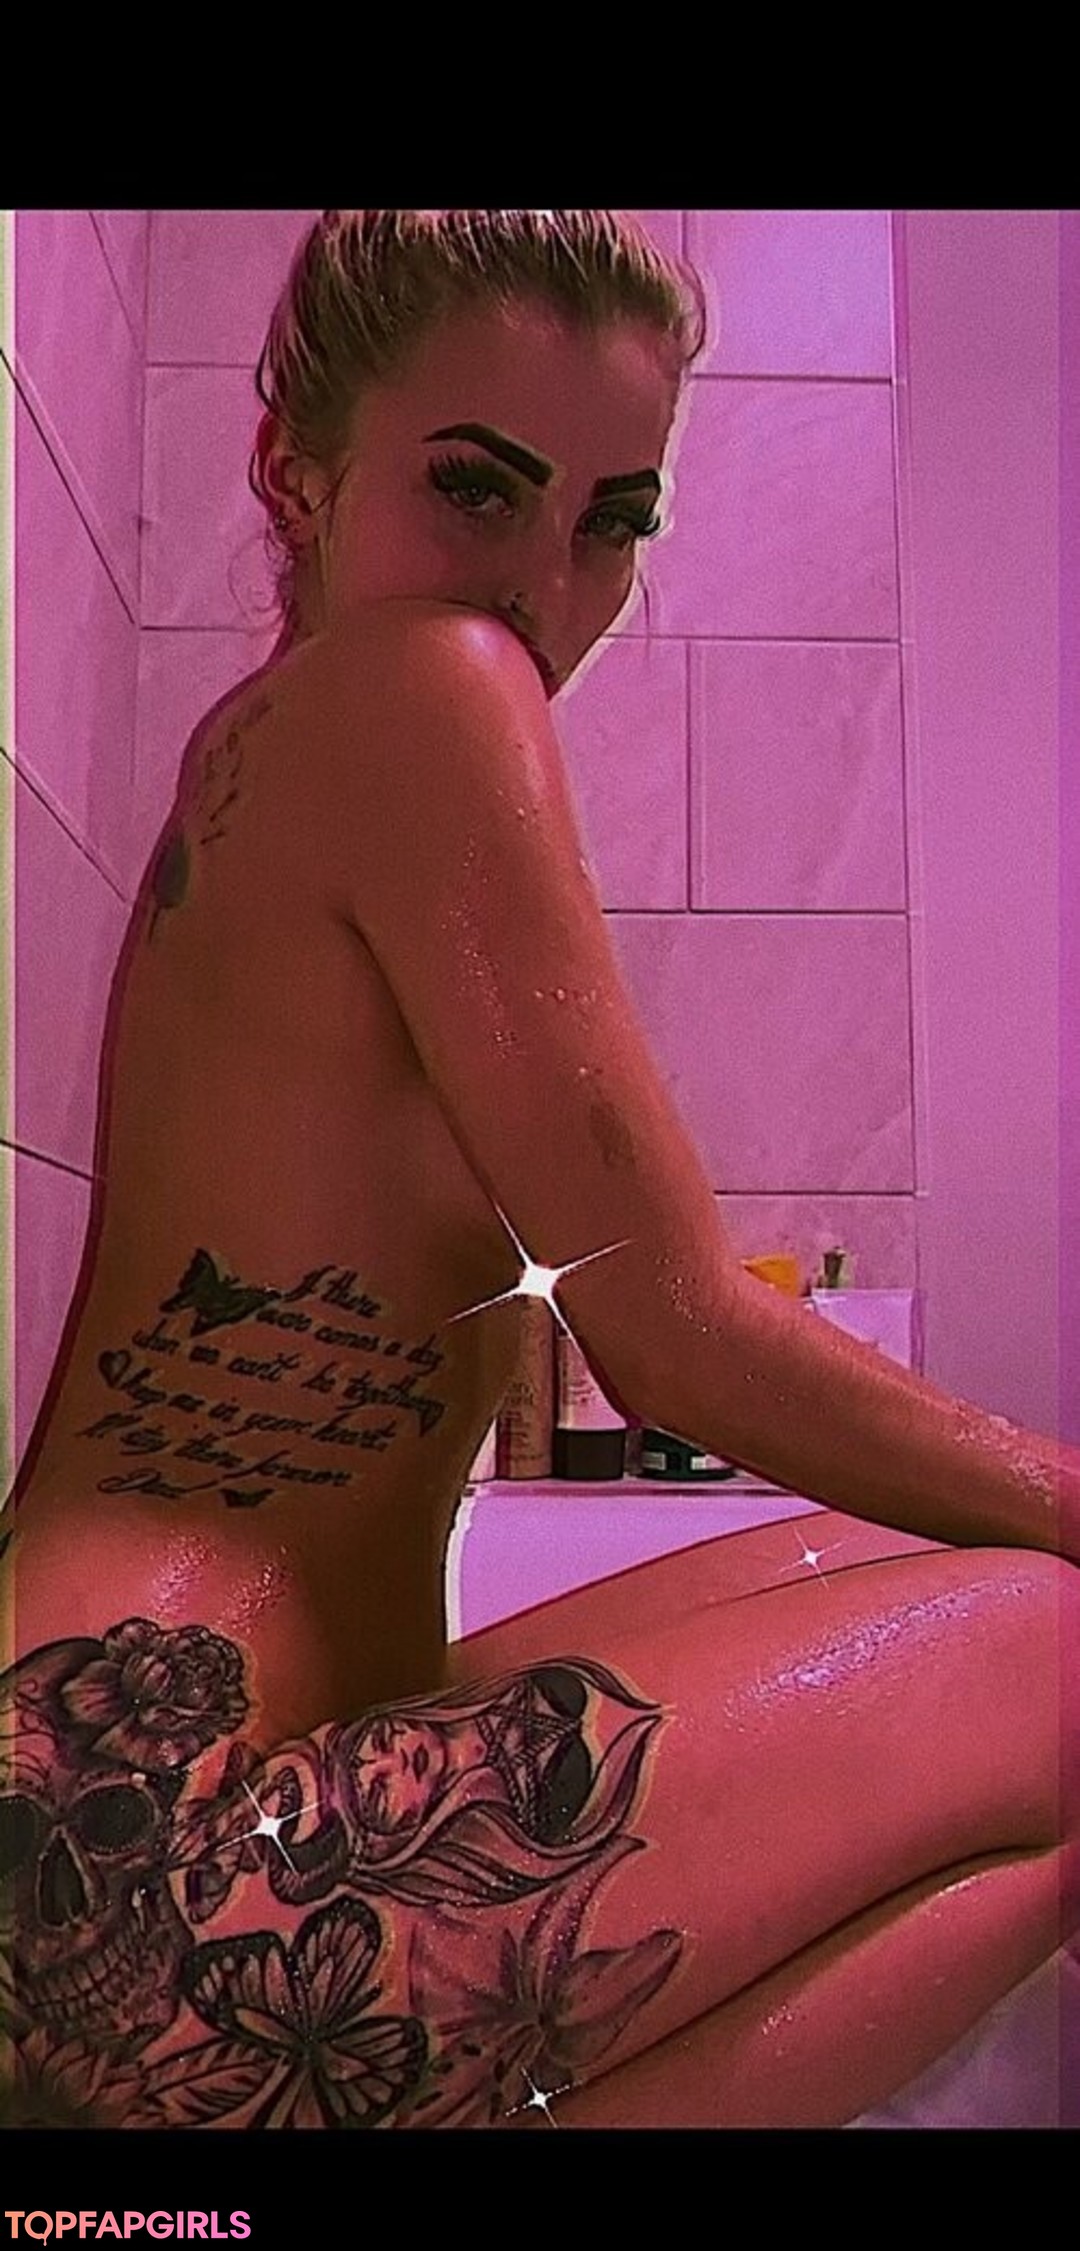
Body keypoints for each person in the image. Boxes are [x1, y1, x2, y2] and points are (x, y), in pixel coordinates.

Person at [2, 209, 1078, 2132]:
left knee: (927, 1589)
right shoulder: (419, 689)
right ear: (295, 472)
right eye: (476, 488)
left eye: (614, 517)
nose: (543, 583)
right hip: (144, 1873)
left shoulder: (286, 751)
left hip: (107, 1837)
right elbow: (675, 1340)